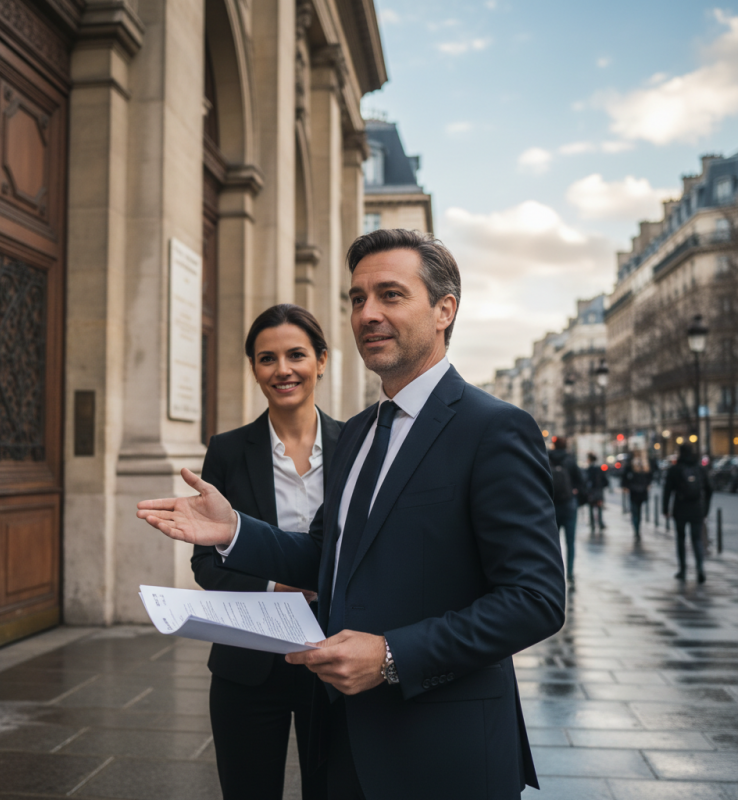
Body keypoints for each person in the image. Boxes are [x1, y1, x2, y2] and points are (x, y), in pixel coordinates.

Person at [138, 229, 566, 800]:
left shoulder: (494, 428)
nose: (368, 314)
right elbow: (329, 555)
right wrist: (236, 531)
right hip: (341, 743)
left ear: (445, 311)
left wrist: (392, 657)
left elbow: (535, 600)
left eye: (390, 295)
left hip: (441, 747)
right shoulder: (362, 431)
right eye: (357, 299)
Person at [191, 305, 342, 800]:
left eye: (296, 355)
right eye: (266, 358)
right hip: (247, 663)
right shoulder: (228, 451)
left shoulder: (358, 444)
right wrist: (279, 586)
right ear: (254, 369)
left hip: (335, 655)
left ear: (321, 361)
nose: (283, 370)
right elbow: (206, 564)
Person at [663, 443, 713, 583]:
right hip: (697, 508)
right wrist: (705, 509)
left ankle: (683, 570)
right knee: (697, 539)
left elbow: (667, 490)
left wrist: (665, 509)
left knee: (680, 539)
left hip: (680, 508)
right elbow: (709, 490)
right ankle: (700, 568)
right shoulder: (699, 469)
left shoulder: (675, 469)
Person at [548, 437, 584, 588]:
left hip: (551, 507)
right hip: (569, 505)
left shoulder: (546, 458)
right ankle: (569, 573)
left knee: (551, 543)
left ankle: (553, 574)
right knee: (570, 542)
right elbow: (581, 481)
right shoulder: (570, 460)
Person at [621, 451, 652, 541]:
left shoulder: (632, 465)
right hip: (641, 491)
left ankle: (637, 530)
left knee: (635, 512)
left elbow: (624, 477)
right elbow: (650, 476)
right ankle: (637, 529)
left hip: (635, 491)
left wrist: (626, 486)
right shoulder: (644, 465)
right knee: (638, 512)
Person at [585, 452, 608, 533]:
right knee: (599, 508)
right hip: (598, 491)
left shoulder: (589, 470)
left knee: (591, 508)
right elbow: (605, 481)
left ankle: (593, 524)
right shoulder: (599, 469)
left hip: (591, 492)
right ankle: (600, 523)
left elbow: (585, 480)